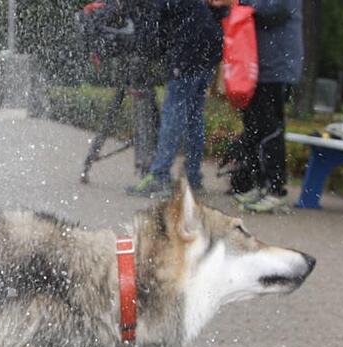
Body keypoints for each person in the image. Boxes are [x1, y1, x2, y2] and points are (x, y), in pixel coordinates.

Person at [209, 0, 303, 213]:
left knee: (270, 128)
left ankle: (275, 189)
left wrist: (238, 3)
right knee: (253, 126)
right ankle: (256, 184)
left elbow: (275, 10)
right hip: (256, 67)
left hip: (276, 68)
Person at [127, 0, 224, 198]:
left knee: (174, 113)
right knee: (194, 115)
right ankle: (193, 177)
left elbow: (154, 24)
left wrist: (142, 47)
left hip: (187, 52)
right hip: (209, 50)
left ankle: (160, 176)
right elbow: (220, 11)